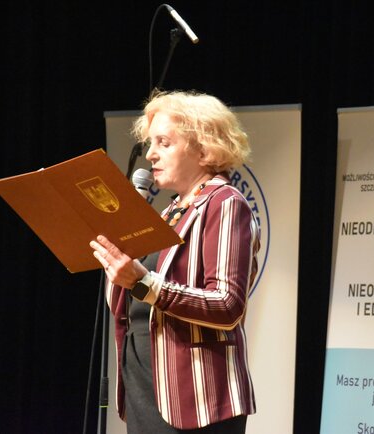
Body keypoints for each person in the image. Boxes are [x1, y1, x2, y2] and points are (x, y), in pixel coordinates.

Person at [89, 90, 260, 433]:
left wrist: (143, 282)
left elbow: (228, 305)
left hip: (197, 398)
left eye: (164, 143)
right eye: (151, 143)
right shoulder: (169, 213)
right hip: (145, 386)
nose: (150, 154)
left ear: (204, 149)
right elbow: (128, 304)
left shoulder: (224, 203)